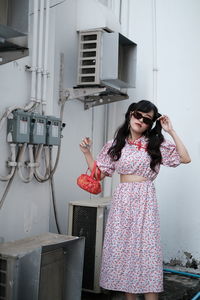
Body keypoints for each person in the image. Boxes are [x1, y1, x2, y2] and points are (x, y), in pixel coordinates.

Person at [79, 100, 191, 300]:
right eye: (138, 115)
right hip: (122, 202)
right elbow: (97, 175)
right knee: (124, 254)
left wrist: (171, 131)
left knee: (146, 255)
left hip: (145, 200)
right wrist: (87, 152)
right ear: (131, 113)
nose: (141, 121)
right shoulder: (115, 145)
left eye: (147, 120)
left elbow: (184, 158)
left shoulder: (155, 144)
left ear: (150, 124)